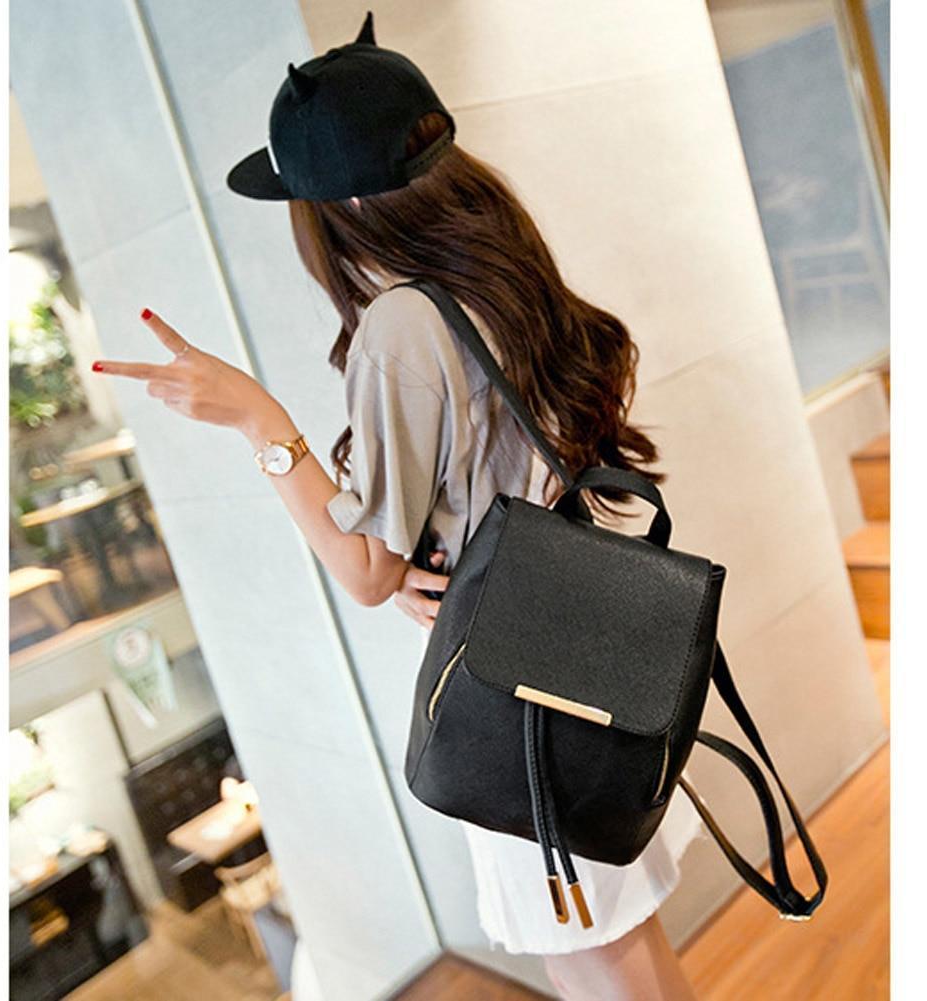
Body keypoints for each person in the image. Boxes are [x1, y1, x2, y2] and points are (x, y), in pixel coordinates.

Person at [94, 13, 708, 999]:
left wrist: (258, 419)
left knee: (595, 955)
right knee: (613, 944)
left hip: (520, 693)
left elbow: (367, 570)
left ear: (336, 207)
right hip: (585, 654)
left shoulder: (402, 324)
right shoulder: (500, 270)